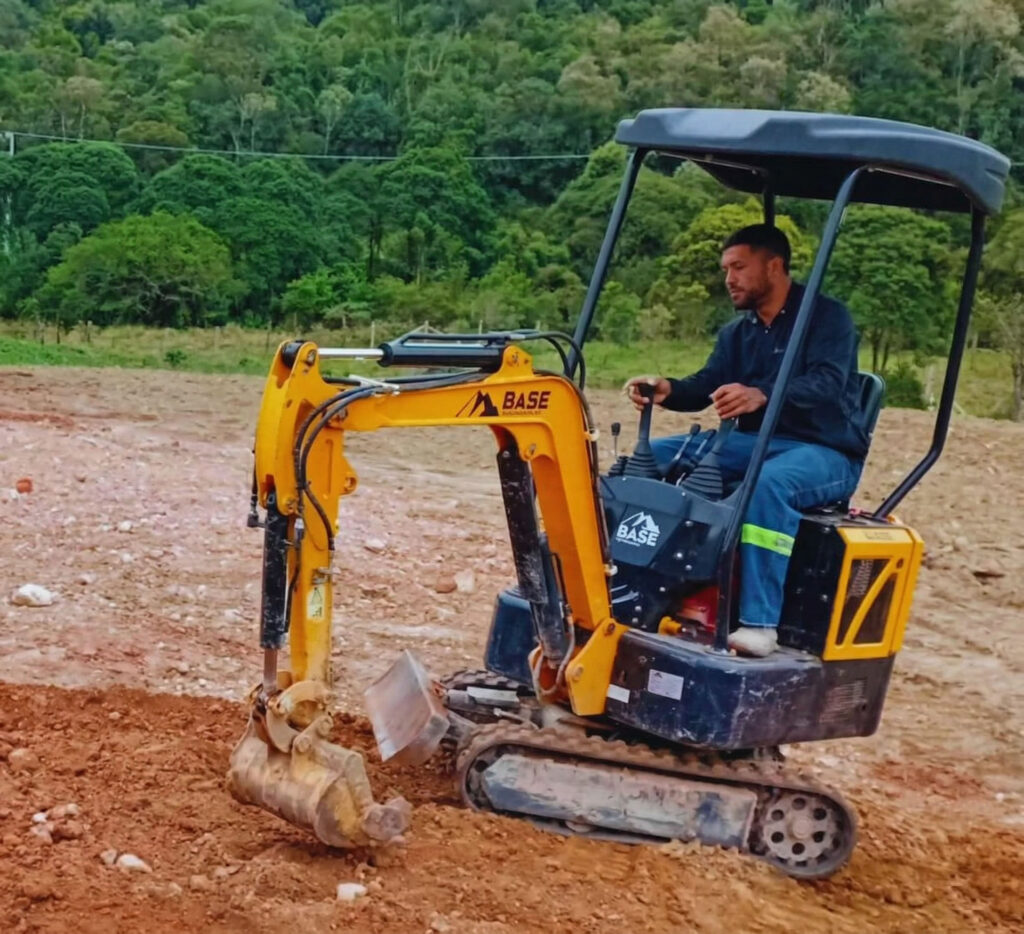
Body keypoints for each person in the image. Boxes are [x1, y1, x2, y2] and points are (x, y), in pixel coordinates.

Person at [625, 224, 868, 658]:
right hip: (753, 445)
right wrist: (669, 390)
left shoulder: (828, 319)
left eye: (738, 267)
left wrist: (764, 395)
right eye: (725, 269)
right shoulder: (739, 332)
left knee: (767, 483)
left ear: (773, 266)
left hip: (823, 451)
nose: (729, 279)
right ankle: (629, 584)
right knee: (652, 459)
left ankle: (759, 623)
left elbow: (829, 385)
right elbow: (708, 383)